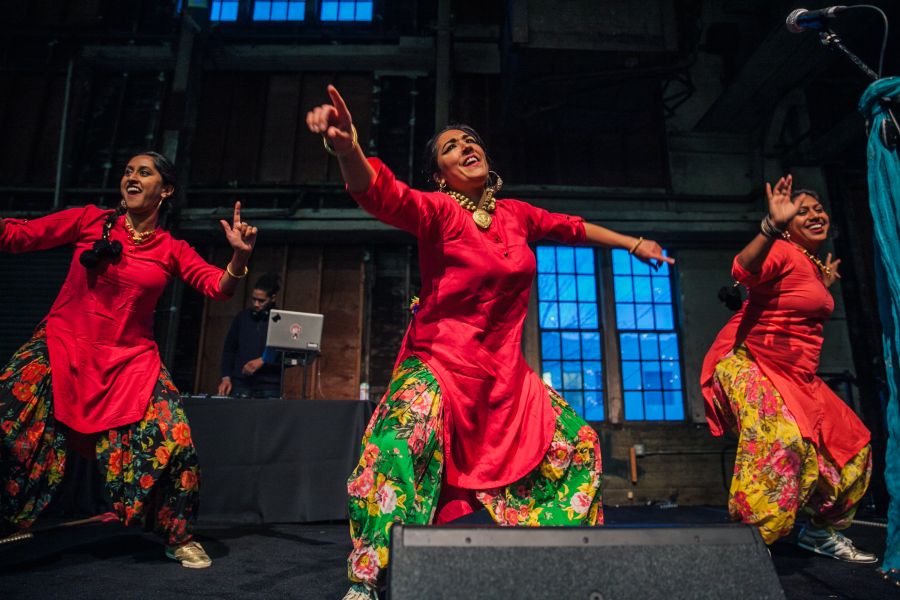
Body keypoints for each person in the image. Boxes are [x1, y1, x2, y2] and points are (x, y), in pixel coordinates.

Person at [306, 85, 674, 599]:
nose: (466, 146)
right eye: (451, 147)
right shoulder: (439, 213)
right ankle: (367, 579)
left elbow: (571, 228)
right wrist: (347, 148)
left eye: (470, 139)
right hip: (437, 362)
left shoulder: (516, 215)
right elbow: (383, 194)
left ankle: (544, 558)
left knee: (578, 447)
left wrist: (635, 243)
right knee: (393, 447)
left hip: (503, 373)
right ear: (440, 174)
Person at [0, 152, 258, 568]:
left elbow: (217, 286)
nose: (131, 177)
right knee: (7, 416)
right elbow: (19, 235)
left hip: (131, 362)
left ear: (166, 189)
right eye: (127, 171)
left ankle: (178, 536)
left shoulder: (172, 248)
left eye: (144, 172)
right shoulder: (89, 220)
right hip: (63, 346)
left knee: (175, 442)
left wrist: (239, 259)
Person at [700, 175, 875, 562]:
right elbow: (743, 267)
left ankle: (819, 531)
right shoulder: (781, 249)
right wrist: (771, 227)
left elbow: (795, 302)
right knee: (779, 438)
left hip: (798, 377)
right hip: (751, 362)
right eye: (802, 211)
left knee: (853, 447)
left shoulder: (810, 264)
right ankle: (749, 544)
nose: (815, 215)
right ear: (789, 223)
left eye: (818, 209)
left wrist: (822, 287)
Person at [218, 273, 283, 398]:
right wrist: (226, 377)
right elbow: (229, 350)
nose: (256, 304)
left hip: (269, 386)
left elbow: (286, 355)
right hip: (240, 384)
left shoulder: (281, 320)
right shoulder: (242, 317)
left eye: (261, 301)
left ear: (273, 298)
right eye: (254, 299)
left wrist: (264, 360)